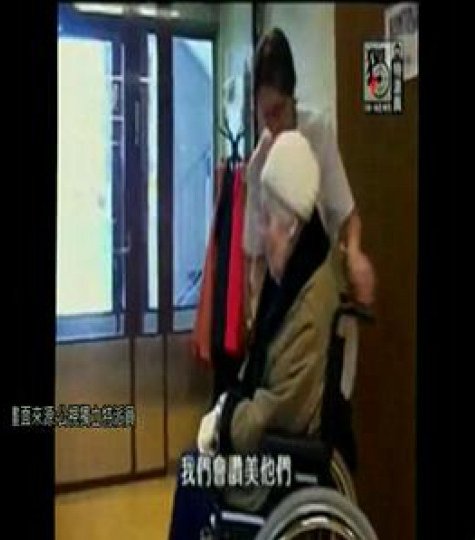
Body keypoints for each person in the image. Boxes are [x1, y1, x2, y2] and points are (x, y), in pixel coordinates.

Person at [168, 131, 339, 538]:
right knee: (194, 465)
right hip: (270, 447)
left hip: (277, 467)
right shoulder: (295, 280)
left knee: (193, 474)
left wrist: (225, 421)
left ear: (292, 226)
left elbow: (276, 411)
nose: (260, 232)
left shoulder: (309, 305)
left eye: (266, 221)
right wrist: (226, 409)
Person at [244, 28, 375, 319]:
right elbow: (255, 256)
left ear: (293, 96)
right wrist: (254, 309)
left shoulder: (318, 133)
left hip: (318, 285)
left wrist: (354, 254)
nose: (273, 124)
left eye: (278, 110)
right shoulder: (258, 166)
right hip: (280, 297)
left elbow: (348, 215)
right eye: (266, 115)